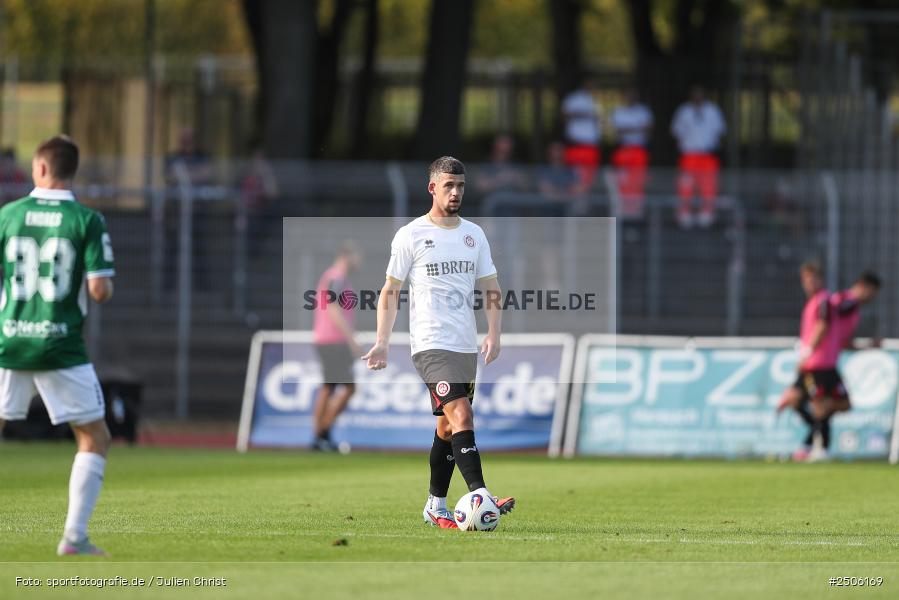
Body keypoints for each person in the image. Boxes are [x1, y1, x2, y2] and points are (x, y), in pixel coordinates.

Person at [362, 156, 515, 529]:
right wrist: (382, 341)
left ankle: (435, 505)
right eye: (449, 185)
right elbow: (390, 290)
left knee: (447, 428)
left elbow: (492, 287)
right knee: (462, 415)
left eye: (460, 185)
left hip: (464, 346)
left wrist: (494, 333)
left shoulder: (474, 235)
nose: (456, 192)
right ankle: (481, 494)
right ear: (432, 188)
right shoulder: (411, 235)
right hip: (430, 345)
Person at [0, 135, 116, 556]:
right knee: (94, 437)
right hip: (59, 345)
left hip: (9, 340)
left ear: (42, 168)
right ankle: (74, 537)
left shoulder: (8, 215)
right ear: (71, 170)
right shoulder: (87, 220)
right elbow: (100, 290)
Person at [776, 263, 880, 461]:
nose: (872, 297)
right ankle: (818, 447)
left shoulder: (838, 305)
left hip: (824, 363)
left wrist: (867, 347)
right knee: (818, 405)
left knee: (828, 404)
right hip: (818, 363)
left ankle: (810, 444)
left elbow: (841, 339)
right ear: (865, 287)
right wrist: (807, 352)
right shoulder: (839, 302)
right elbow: (824, 322)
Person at [311, 241, 362, 451]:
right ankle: (321, 432)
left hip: (327, 339)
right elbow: (333, 308)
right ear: (347, 256)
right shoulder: (336, 277)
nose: (359, 261)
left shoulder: (334, 277)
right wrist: (351, 339)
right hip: (333, 340)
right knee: (347, 388)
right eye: (357, 256)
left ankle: (320, 435)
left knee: (329, 386)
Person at [164, 128, 214, 290]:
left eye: (188, 137)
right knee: (172, 249)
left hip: (197, 211)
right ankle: (168, 285)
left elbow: (207, 174)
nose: (185, 141)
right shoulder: (172, 158)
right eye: (183, 137)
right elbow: (170, 176)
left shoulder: (202, 156)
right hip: (176, 212)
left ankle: (203, 285)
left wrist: (184, 175)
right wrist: (194, 175)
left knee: (199, 249)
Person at [670, 86, 726, 229]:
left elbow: (720, 131)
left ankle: (707, 214)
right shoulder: (684, 111)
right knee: (686, 186)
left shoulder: (713, 111)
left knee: (708, 185)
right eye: (695, 94)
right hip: (689, 155)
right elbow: (676, 131)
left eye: (700, 94)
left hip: (707, 155)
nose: (697, 97)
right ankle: (684, 214)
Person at [611, 89, 653, 218]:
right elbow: (618, 131)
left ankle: (636, 213)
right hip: (623, 150)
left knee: (638, 182)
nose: (630, 98)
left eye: (632, 95)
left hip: (639, 150)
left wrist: (628, 129)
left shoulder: (644, 111)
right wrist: (637, 128)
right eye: (627, 95)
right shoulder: (618, 111)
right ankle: (622, 212)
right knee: (622, 181)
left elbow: (648, 130)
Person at [561, 77, 602, 189]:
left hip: (591, 145)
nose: (592, 86)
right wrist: (585, 114)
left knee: (589, 180)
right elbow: (565, 114)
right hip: (576, 145)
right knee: (574, 178)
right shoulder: (573, 98)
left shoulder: (596, 99)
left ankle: (586, 198)